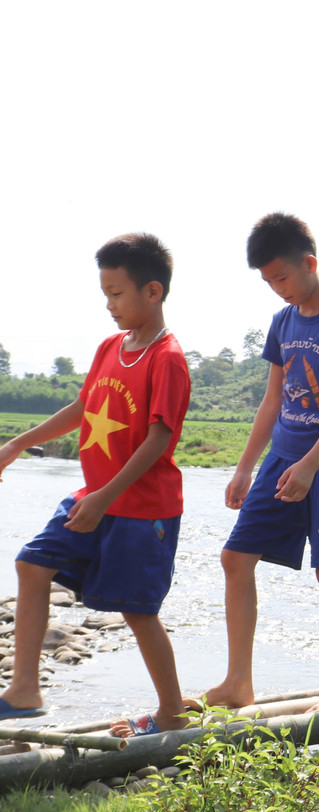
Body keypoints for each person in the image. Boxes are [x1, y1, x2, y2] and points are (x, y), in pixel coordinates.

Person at [0, 234, 190, 736]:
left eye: (117, 293)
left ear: (153, 291)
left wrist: (105, 498)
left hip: (141, 508)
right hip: (96, 496)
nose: (109, 305)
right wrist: (19, 443)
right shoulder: (112, 347)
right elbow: (84, 407)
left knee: (138, 610)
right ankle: (24, 691)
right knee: (32, 562)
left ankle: (171, 712)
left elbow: (158, 440)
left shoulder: (166, 357)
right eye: (105, 294)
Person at [204, 213, 319, 714]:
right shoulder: (283, 322)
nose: (277, 290)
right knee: (235, 558)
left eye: (281, 277)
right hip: (282, 456)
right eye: (268, 282)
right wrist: (243, 468)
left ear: (309, 264)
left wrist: (311, 464)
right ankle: (238, 683)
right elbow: (272, 399)